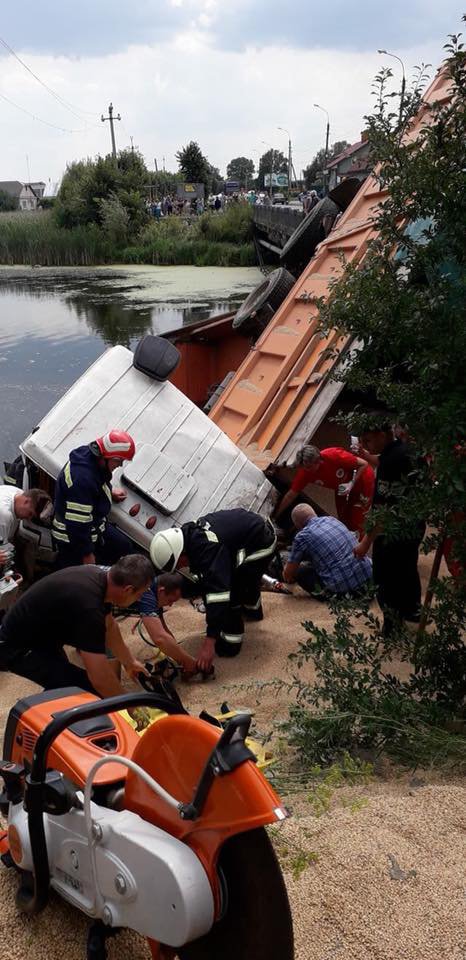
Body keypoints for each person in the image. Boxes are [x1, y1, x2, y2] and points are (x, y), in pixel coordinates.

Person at [0, 556, 153, 714]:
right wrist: (130, 705)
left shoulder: (101, 578)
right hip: (17, 646)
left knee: (65, 686)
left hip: (42, 635)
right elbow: (99, 679)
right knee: (85, 691)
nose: (140, 599)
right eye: (140, 594)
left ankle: (54, 717)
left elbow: (110, 627)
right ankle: (46, 727)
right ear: (128, 589)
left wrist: (129, 662)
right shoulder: (89, 607)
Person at [149, 509, 277, 670]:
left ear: (180, 552)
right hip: (249, 535)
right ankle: (253, 611)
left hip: (261, 545)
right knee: (230, 584)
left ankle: (232, 642)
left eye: (178, 564)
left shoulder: (207, 550)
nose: (181, 567)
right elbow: (204, 577)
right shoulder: (190, 537)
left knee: (233, 594)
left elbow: (219, 595)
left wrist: (210, 642)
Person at [354, 420, 425, 634]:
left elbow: (383, 508)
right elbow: (382, 461)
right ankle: (412, 610)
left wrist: (366, 542)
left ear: (383, 435)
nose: (366, 446)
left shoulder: (391, 462)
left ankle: (392, 625)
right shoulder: (405, 451)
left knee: (385, 576)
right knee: (407, 568)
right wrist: (367, 457)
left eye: (368, 440)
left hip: (392, 530)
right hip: (414, 524)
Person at [52, 430, 139, 568]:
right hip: (72, 538)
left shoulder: (88, 456)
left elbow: (98, 480)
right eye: (119, 461)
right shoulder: (82, 479)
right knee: (86, 577)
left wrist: (109, 492)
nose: (120, 465)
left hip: (94, 526)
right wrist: (87, 554)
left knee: (124, 547)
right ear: (109, 457)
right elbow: (77, 525)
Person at [272, 444, 375, 537]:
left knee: (357, 517)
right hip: (342, 487)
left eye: (309, 467)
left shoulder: (333, 455)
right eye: (304, 468)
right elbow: (291, 495)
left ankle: (359, 546)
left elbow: (364, 464)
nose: (307, 470)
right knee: (343, 517)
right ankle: (347, 540)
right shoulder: (306, 472)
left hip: (361, 480)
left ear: (318, 461)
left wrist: (351, 483)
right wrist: (275, 516)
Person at [113, 570, 198, 675]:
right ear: (161, 591)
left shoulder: (154, 591)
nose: (170, 605)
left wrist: (180, 658)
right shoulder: (147, 594)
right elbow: (160, 638)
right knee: (109, 655)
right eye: (170, 600)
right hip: (96, 604)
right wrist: (188, 661)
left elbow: (164, 632)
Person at [283, 504, 372, 597]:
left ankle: (328, 596)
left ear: (298, 526)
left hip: (345, 594)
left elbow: (288, 573)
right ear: (315, 514)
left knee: (300, 571)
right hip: (370, 581)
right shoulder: (332, 520)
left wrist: (286, 570)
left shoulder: (302, 536)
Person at [0, 485, 50, 563]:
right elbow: (2, 554)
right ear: (26, 501)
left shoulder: (19, 493)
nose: (29, 518)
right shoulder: (4, 514)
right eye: (30, 513)